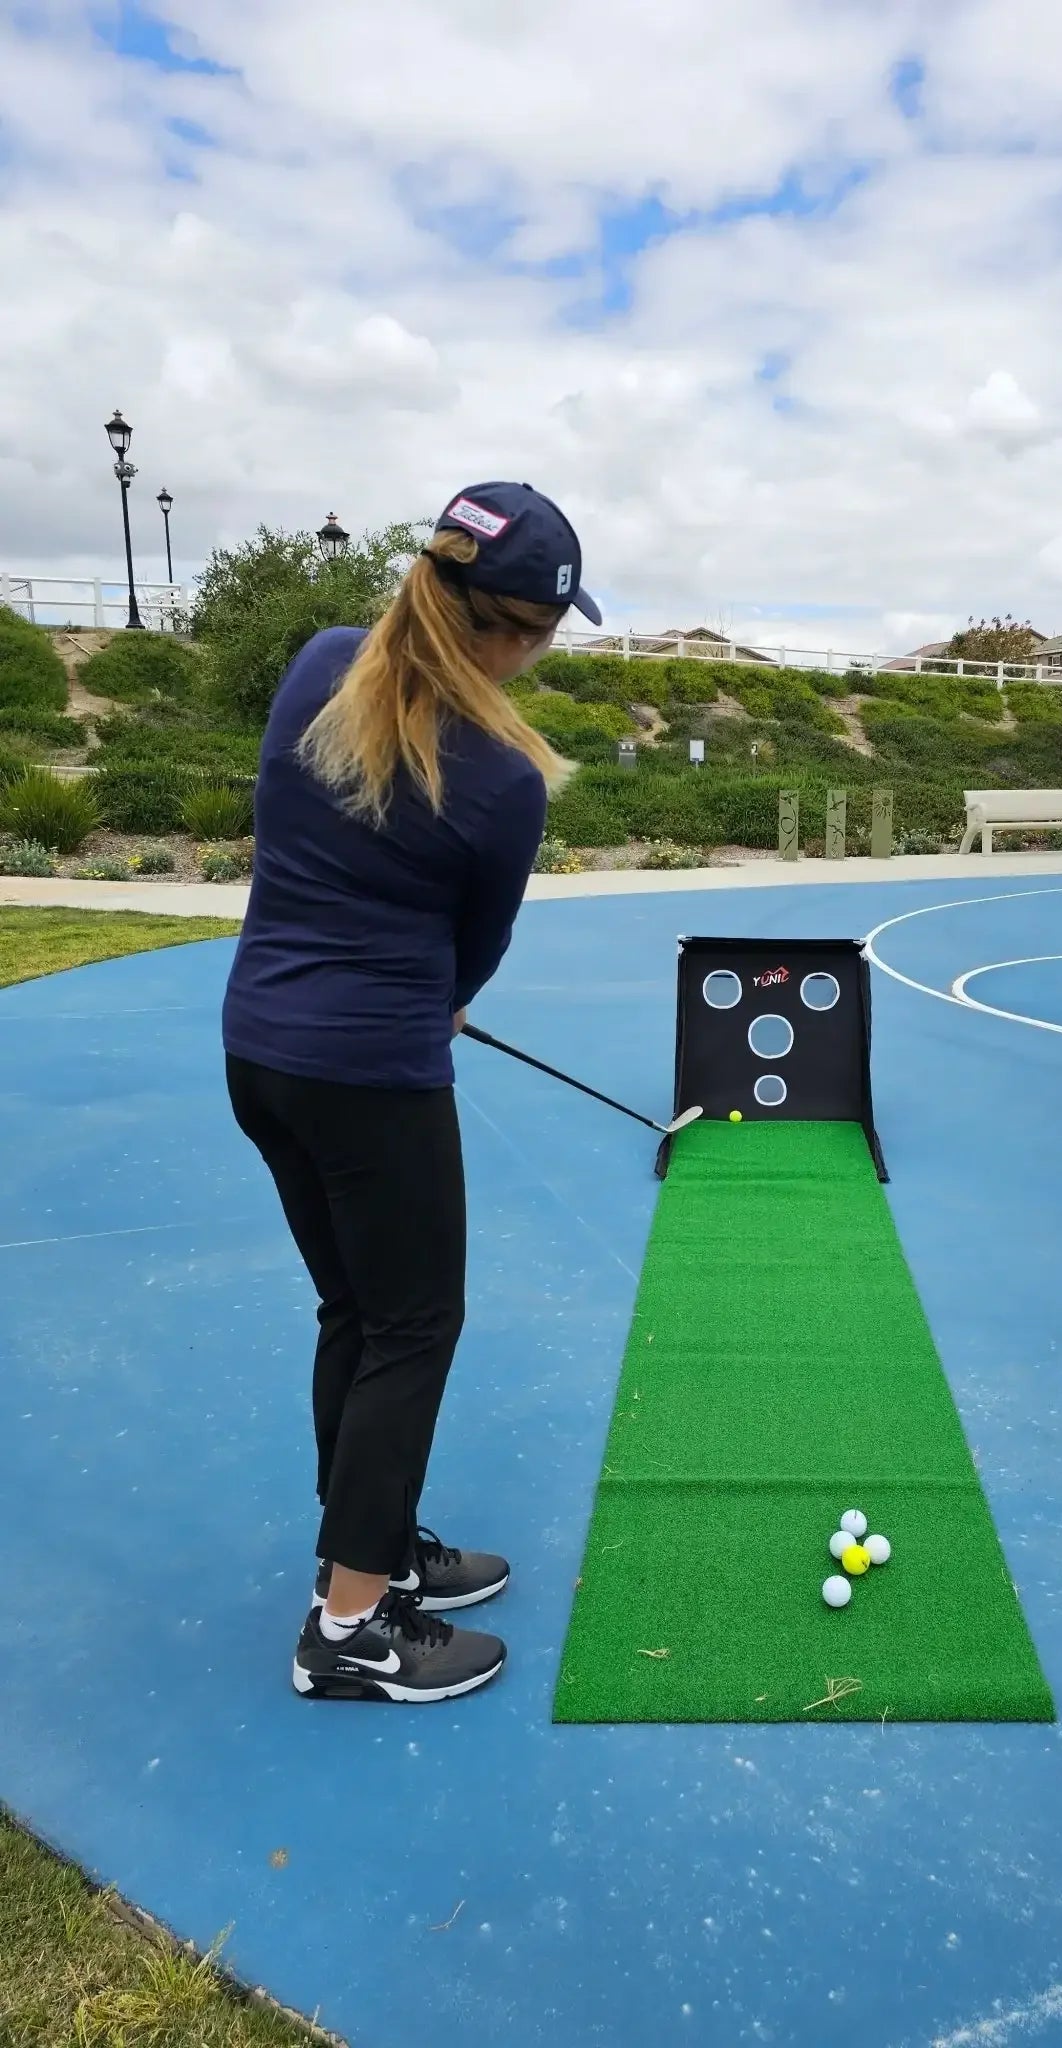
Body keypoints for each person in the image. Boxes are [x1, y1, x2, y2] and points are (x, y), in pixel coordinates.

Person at [223, 481, 601, 1703]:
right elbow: (471, 953)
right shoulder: (505, 775)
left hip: (260, 1053)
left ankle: (374, 1551)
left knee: (356, 1307)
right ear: (521, 632)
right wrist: (432, 995)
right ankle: (347, 1628)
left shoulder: (321, 661)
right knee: (413, 1325)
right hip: (370, 1076)